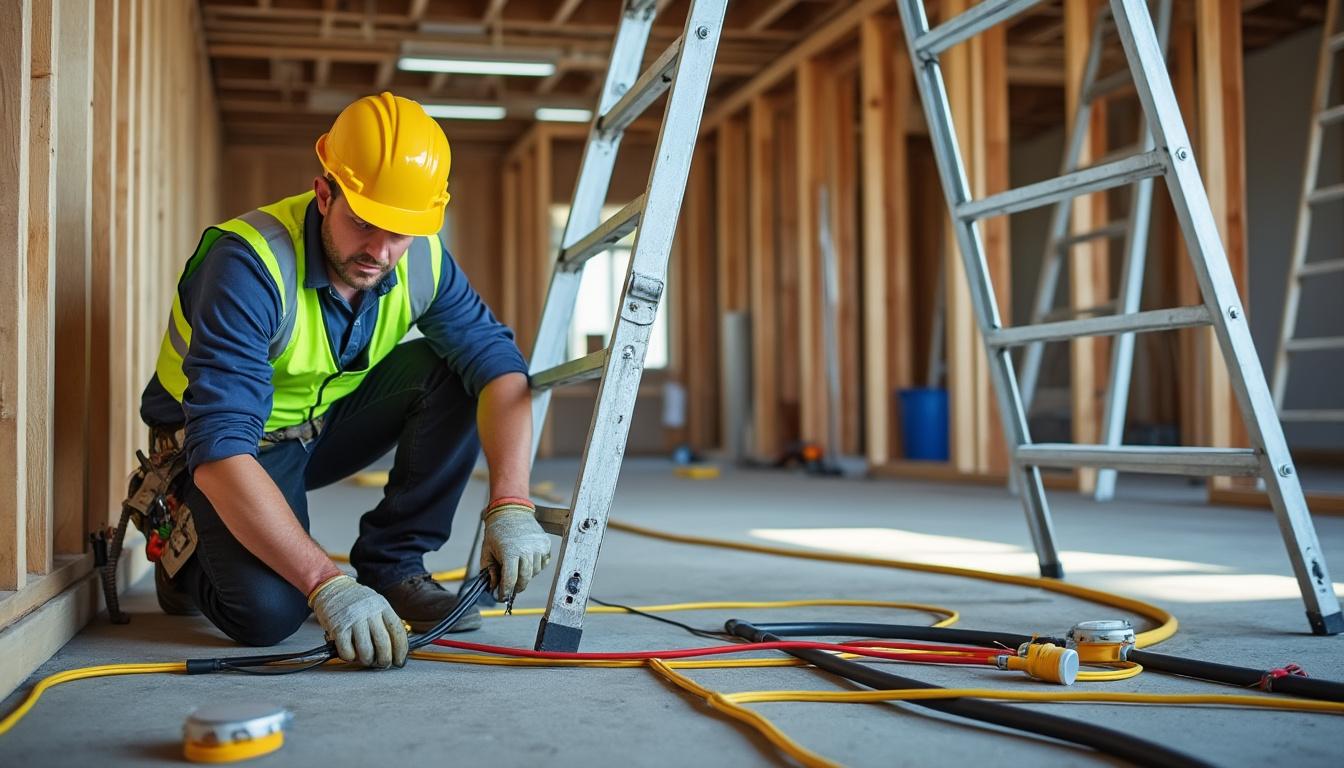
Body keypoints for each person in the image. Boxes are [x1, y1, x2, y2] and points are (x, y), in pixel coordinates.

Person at [137, 92, 550, 669]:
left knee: (454, 374)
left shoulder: (421, 258)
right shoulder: (248, 265)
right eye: (363, 223)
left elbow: (501, 368)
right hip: (222, 451)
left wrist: (511, 503)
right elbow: (221, 447)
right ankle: (184, 567)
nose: (380, 252)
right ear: (324, 193)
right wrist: (327, 584)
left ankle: (394, 566)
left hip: (319, 425)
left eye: (400, 232)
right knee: (268, 615)